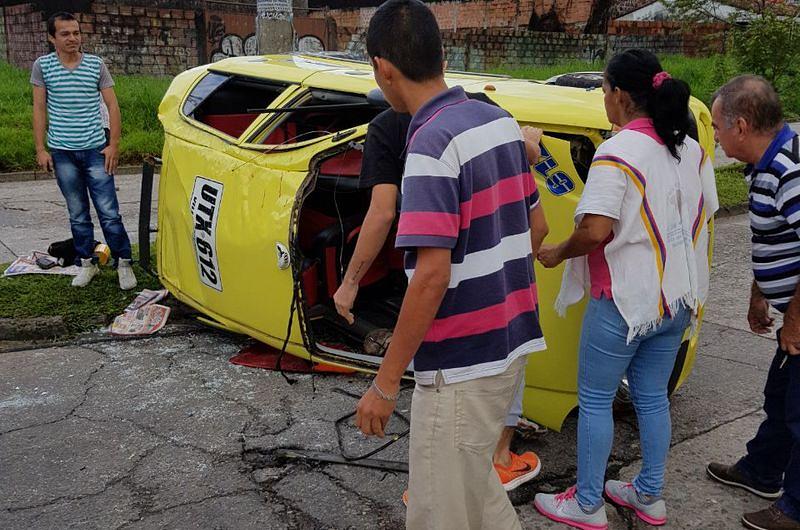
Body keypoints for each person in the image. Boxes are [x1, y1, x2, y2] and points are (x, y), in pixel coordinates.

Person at [353, 1, 548, 528]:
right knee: (476, 489)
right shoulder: (499, 122)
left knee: (439, 512)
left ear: (383, 68)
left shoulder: (429, 145)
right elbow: (539, 232)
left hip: (461, 366)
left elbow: (432, 277)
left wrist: (385, 383)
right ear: (441, 55)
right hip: (511, 347)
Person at [534, 49, 718, 529]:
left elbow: (595, 230)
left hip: (622, 302)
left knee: (595, 401)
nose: (603, 102)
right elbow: (706, 210)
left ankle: (588, 503)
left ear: (618, 94)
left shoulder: (617, 152)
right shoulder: (690, 148)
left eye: (603, 93)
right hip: (677, 297)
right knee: (651, 398)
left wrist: (556, 252)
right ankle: (648, 494)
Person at [334, 106, 547, 495]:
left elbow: (385, 217)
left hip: (454, 341)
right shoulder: (492, 117)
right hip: (514, 320)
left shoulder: (404, 134)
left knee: (441, 467)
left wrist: (350, 283)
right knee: (472, 463)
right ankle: (496, 460)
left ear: (383, 70)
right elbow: (540, 226)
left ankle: (435, 486)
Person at [705, 75, 800, 530]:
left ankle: (794, 509)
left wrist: (795, 322)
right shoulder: (763, 165)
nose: (716, 136)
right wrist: (759, 294)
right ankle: (761, 471)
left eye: (718, 127)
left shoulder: (789, 169)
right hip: (791, 310)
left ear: (740, 125)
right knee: (780, 396)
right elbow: (773, 238)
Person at [31, 11, 136, 290]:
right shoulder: (43, 66)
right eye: (65, 33)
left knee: (108, 210)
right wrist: (41, 148)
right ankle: (87, 264)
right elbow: (39, 109)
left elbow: (113, 106)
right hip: (62, 151)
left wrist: (113, 145)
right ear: (51, 37)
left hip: (95, 149)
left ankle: (124, 262)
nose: (72, 38)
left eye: (76, 32)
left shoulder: (95, 65)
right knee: (77, 212)